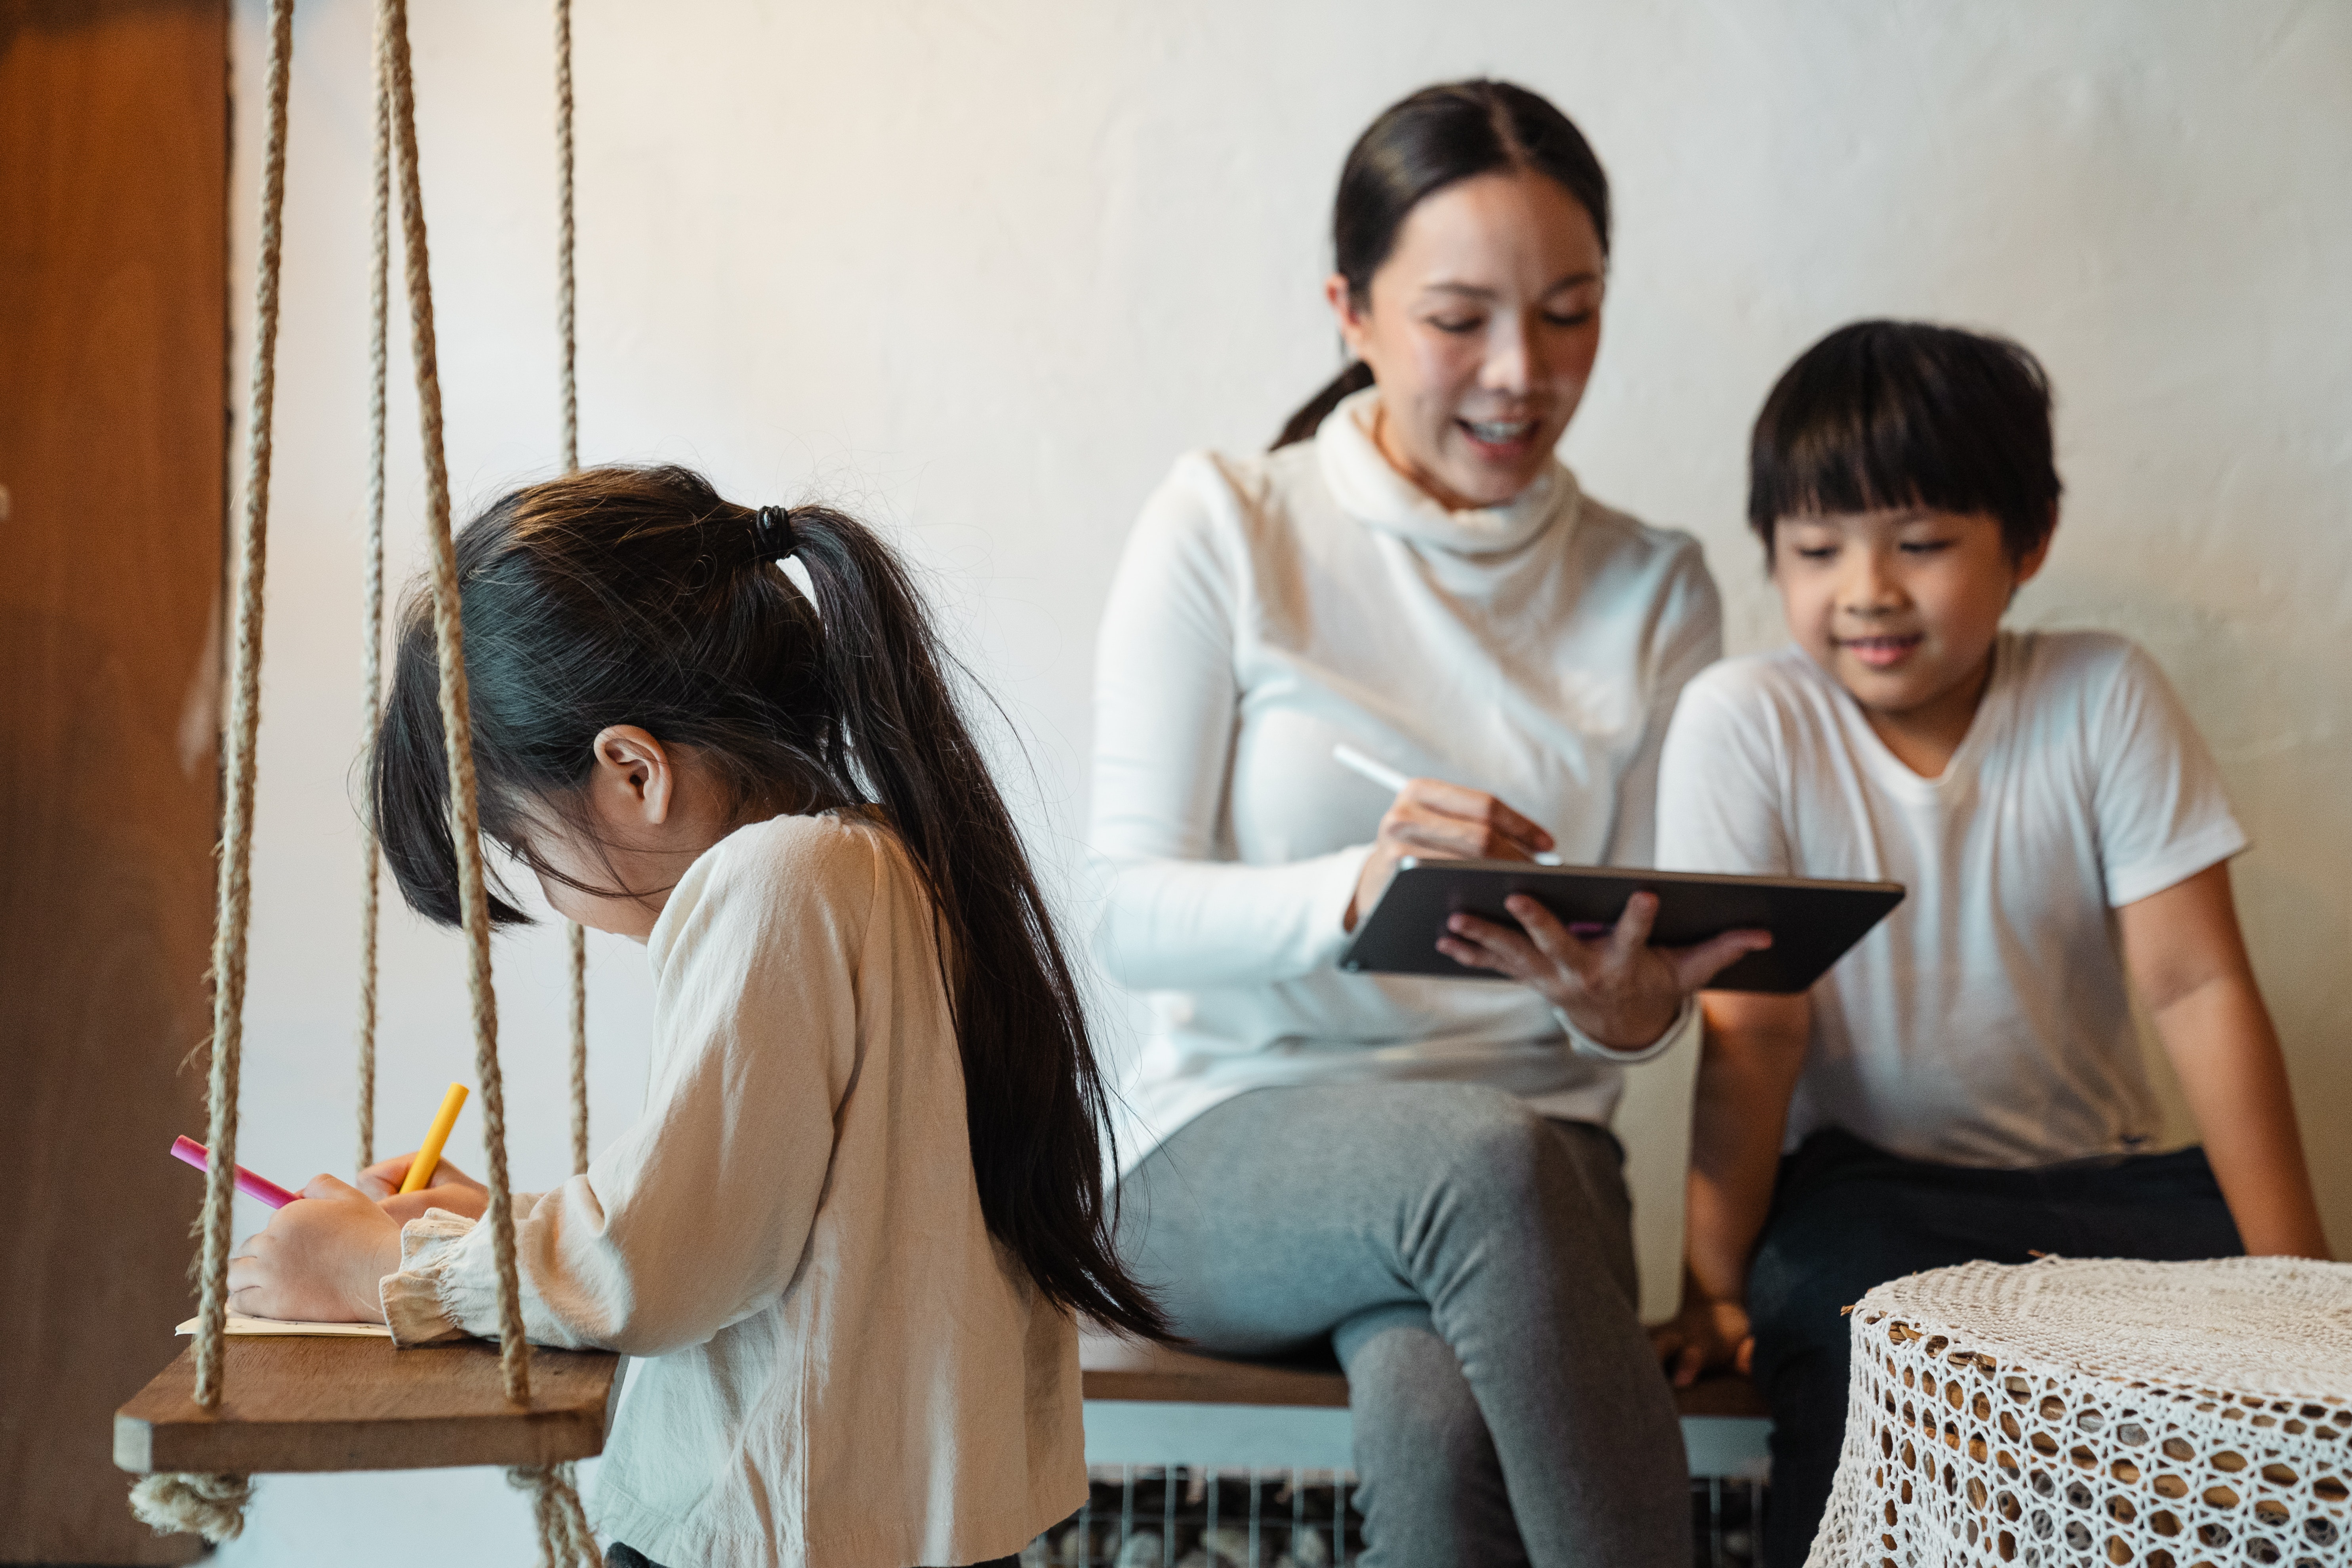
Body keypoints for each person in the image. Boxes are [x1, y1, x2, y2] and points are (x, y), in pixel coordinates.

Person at [224, 465, 1167, 1568]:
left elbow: (659, 1271)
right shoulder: (882, 862)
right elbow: (769, 1223)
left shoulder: (779, 882)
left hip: (784, 1535)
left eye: (528, 848)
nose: (551, 892)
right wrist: (492, 1228)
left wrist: (388, 1268)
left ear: (632, 771)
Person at [1089, 80, 1767, 1568]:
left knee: (1435, 1414)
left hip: (1531, 1168)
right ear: (1351, 310)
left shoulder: (1654, 585)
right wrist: (1356, 883)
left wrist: (1632, 1006)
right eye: (1460, 319)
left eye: (1570, 313)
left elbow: (1639, 994)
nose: (1521, 373)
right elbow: (1120, 910)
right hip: (1225, 1152)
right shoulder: (1228, 523)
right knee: (1482, 1163)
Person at [1649, 320, 2333, 1568]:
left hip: (2104, 1194)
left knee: (2242, 1428)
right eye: (1815, 549)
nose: (1865, 589)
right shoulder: (1744, 721)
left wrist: (2303, 1290)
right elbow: (1757, 1027)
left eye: (1919, 544)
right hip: (1867, 1197)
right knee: (1858, 1362)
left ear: (2027, 544)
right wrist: (1710, 1284)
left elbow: (2195, 985)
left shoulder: (2100, 693)